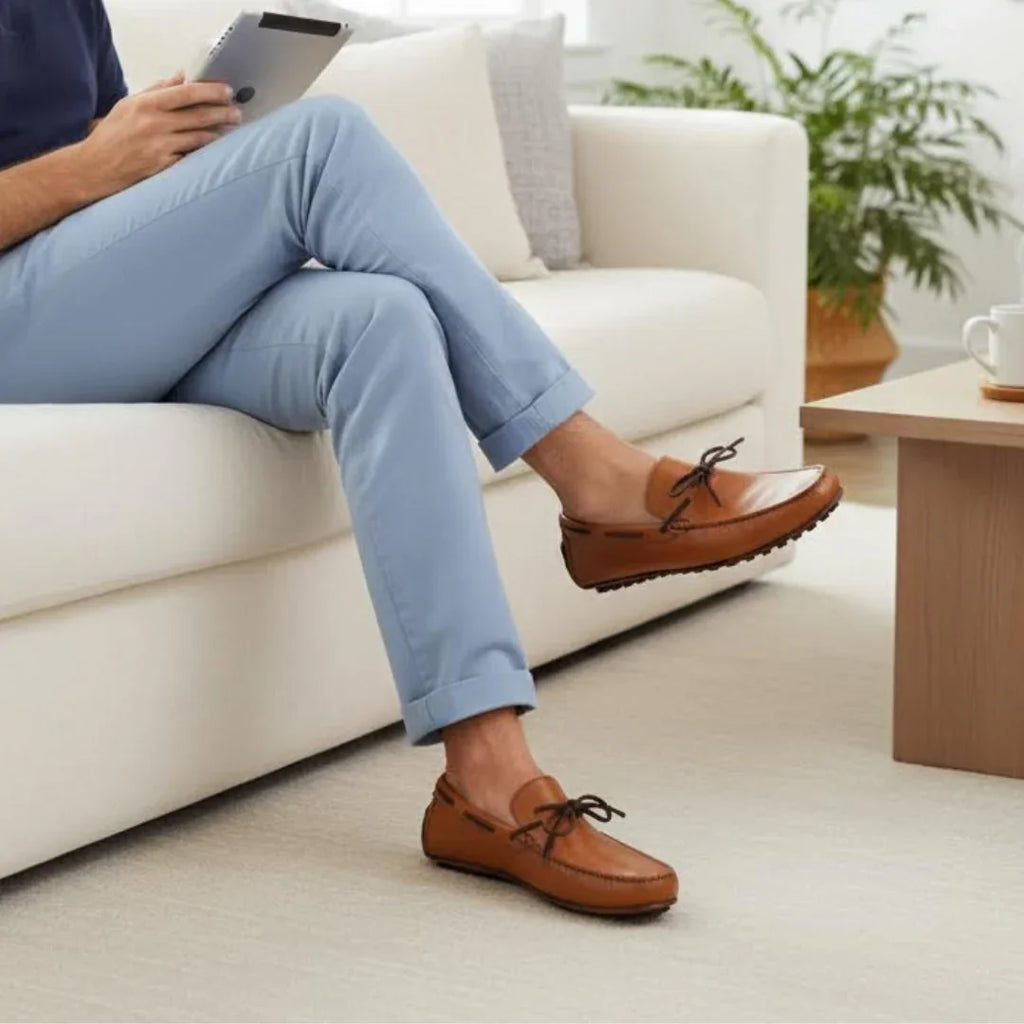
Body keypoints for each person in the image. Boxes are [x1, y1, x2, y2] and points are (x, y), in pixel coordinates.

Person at [0, 0, 840, 917]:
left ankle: (487, 778)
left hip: (80, 292)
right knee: (324, 141)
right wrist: (93, 165)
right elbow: (83, 168)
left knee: (383, 319)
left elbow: (99, 151)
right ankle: (597, 480)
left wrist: (162, 149)